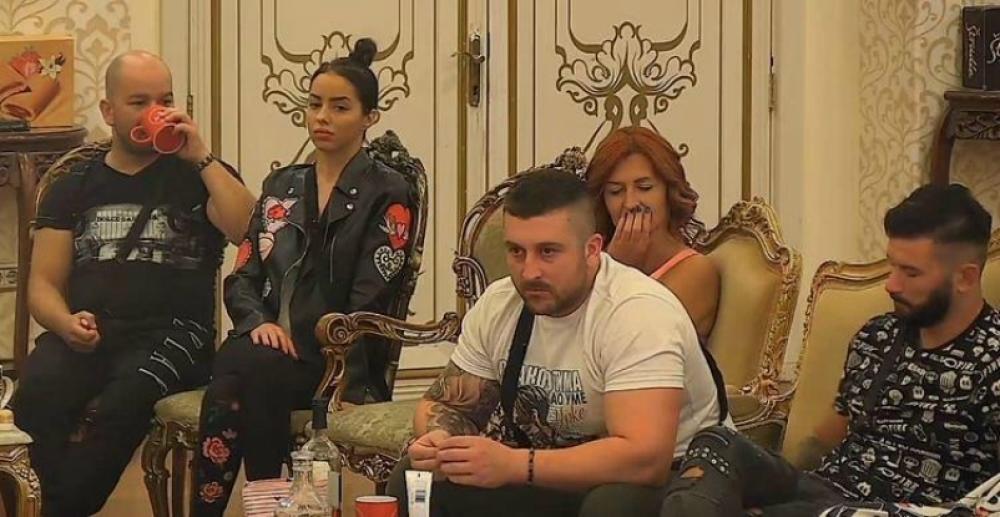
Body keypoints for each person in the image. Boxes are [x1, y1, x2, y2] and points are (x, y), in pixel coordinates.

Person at [387, 167, 725, 517]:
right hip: (548, 469)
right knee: (415, 478)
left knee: (611, 507)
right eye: (517, 252)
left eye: (548, 252)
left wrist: (515, 465)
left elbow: (645, 460)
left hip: (671, 478)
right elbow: (447, 405)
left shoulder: (637, 312)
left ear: (592, 249)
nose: (529, 271)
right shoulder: (500, 303)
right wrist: (441, 442)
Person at [11, 50, 254, 516]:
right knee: (36, 394)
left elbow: (249, 231)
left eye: (164, 100)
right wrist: (64, 323)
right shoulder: (75, 181)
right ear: (109, 111)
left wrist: (202, 158)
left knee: (121, 404)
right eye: (139, 102)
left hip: (176, 334)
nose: (154, 112)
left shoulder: (200, 174)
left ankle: (56, 510)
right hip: (88, 329)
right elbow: (42, 284)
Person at [660, 184, 1000, 516]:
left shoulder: (993, 359)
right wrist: (773, 481)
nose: (891, 284)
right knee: (717, 444)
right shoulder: (879, 335)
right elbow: (824, 439)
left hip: (907, 508)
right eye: (892, 265)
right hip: (828, 490)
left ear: (966, 278)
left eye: (910, 273)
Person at [191, 38, 415, 515]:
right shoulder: (283, 185)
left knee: (235, 379)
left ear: (370, 117)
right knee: (246, 370)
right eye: (314, 104)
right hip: (265, 348)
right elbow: (243, 275)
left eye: (340, 107)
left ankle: (255, 507)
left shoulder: (388, 191)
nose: (322, 117)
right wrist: (259, 323)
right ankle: (272, 507)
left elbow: (371, 298)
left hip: (336, 358)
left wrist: (294, 339)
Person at [584, 127, 719, 340]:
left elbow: (631, 340)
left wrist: (619, 269)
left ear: (668, 191)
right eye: (615, 192)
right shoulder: (593, 254)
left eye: (645, 188)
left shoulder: (696, 271)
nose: (630, 203)